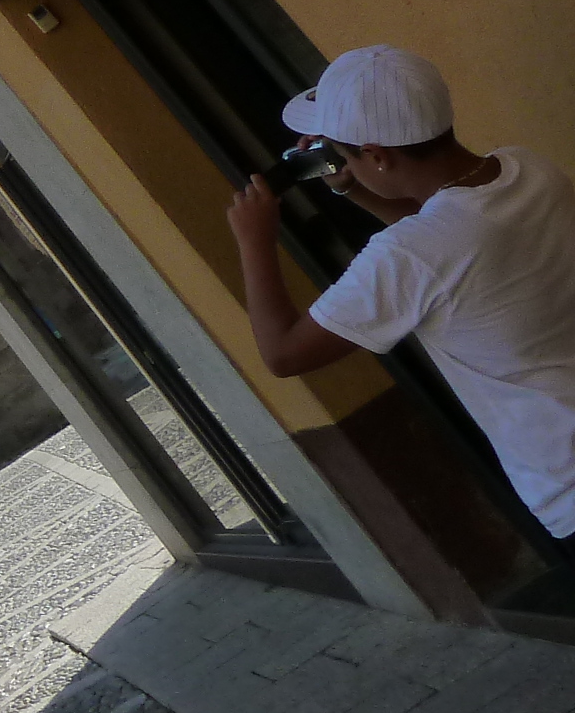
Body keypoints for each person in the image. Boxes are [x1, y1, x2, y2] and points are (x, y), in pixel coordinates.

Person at [226, 45, 575, 542]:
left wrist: (255, 240)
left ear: (376, 155)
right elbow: (448, 251)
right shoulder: (528, 169)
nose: (342, 160)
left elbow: (284, 354)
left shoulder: (410, 255)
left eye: (345, 152)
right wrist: (354, 187)